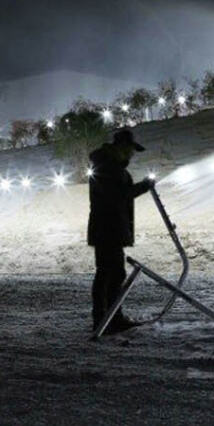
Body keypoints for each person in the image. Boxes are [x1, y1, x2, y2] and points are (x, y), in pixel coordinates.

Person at [87, 128, 155, 337]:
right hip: (108, 228)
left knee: (112, 274)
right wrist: (143, 187)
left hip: (109, 227)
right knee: (109, 274)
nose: (132, 155)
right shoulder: (109, 167)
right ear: (122, 147)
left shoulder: (110, 166)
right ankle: (107, 320)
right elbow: (116, 196)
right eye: (131, 150)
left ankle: (109, 318)